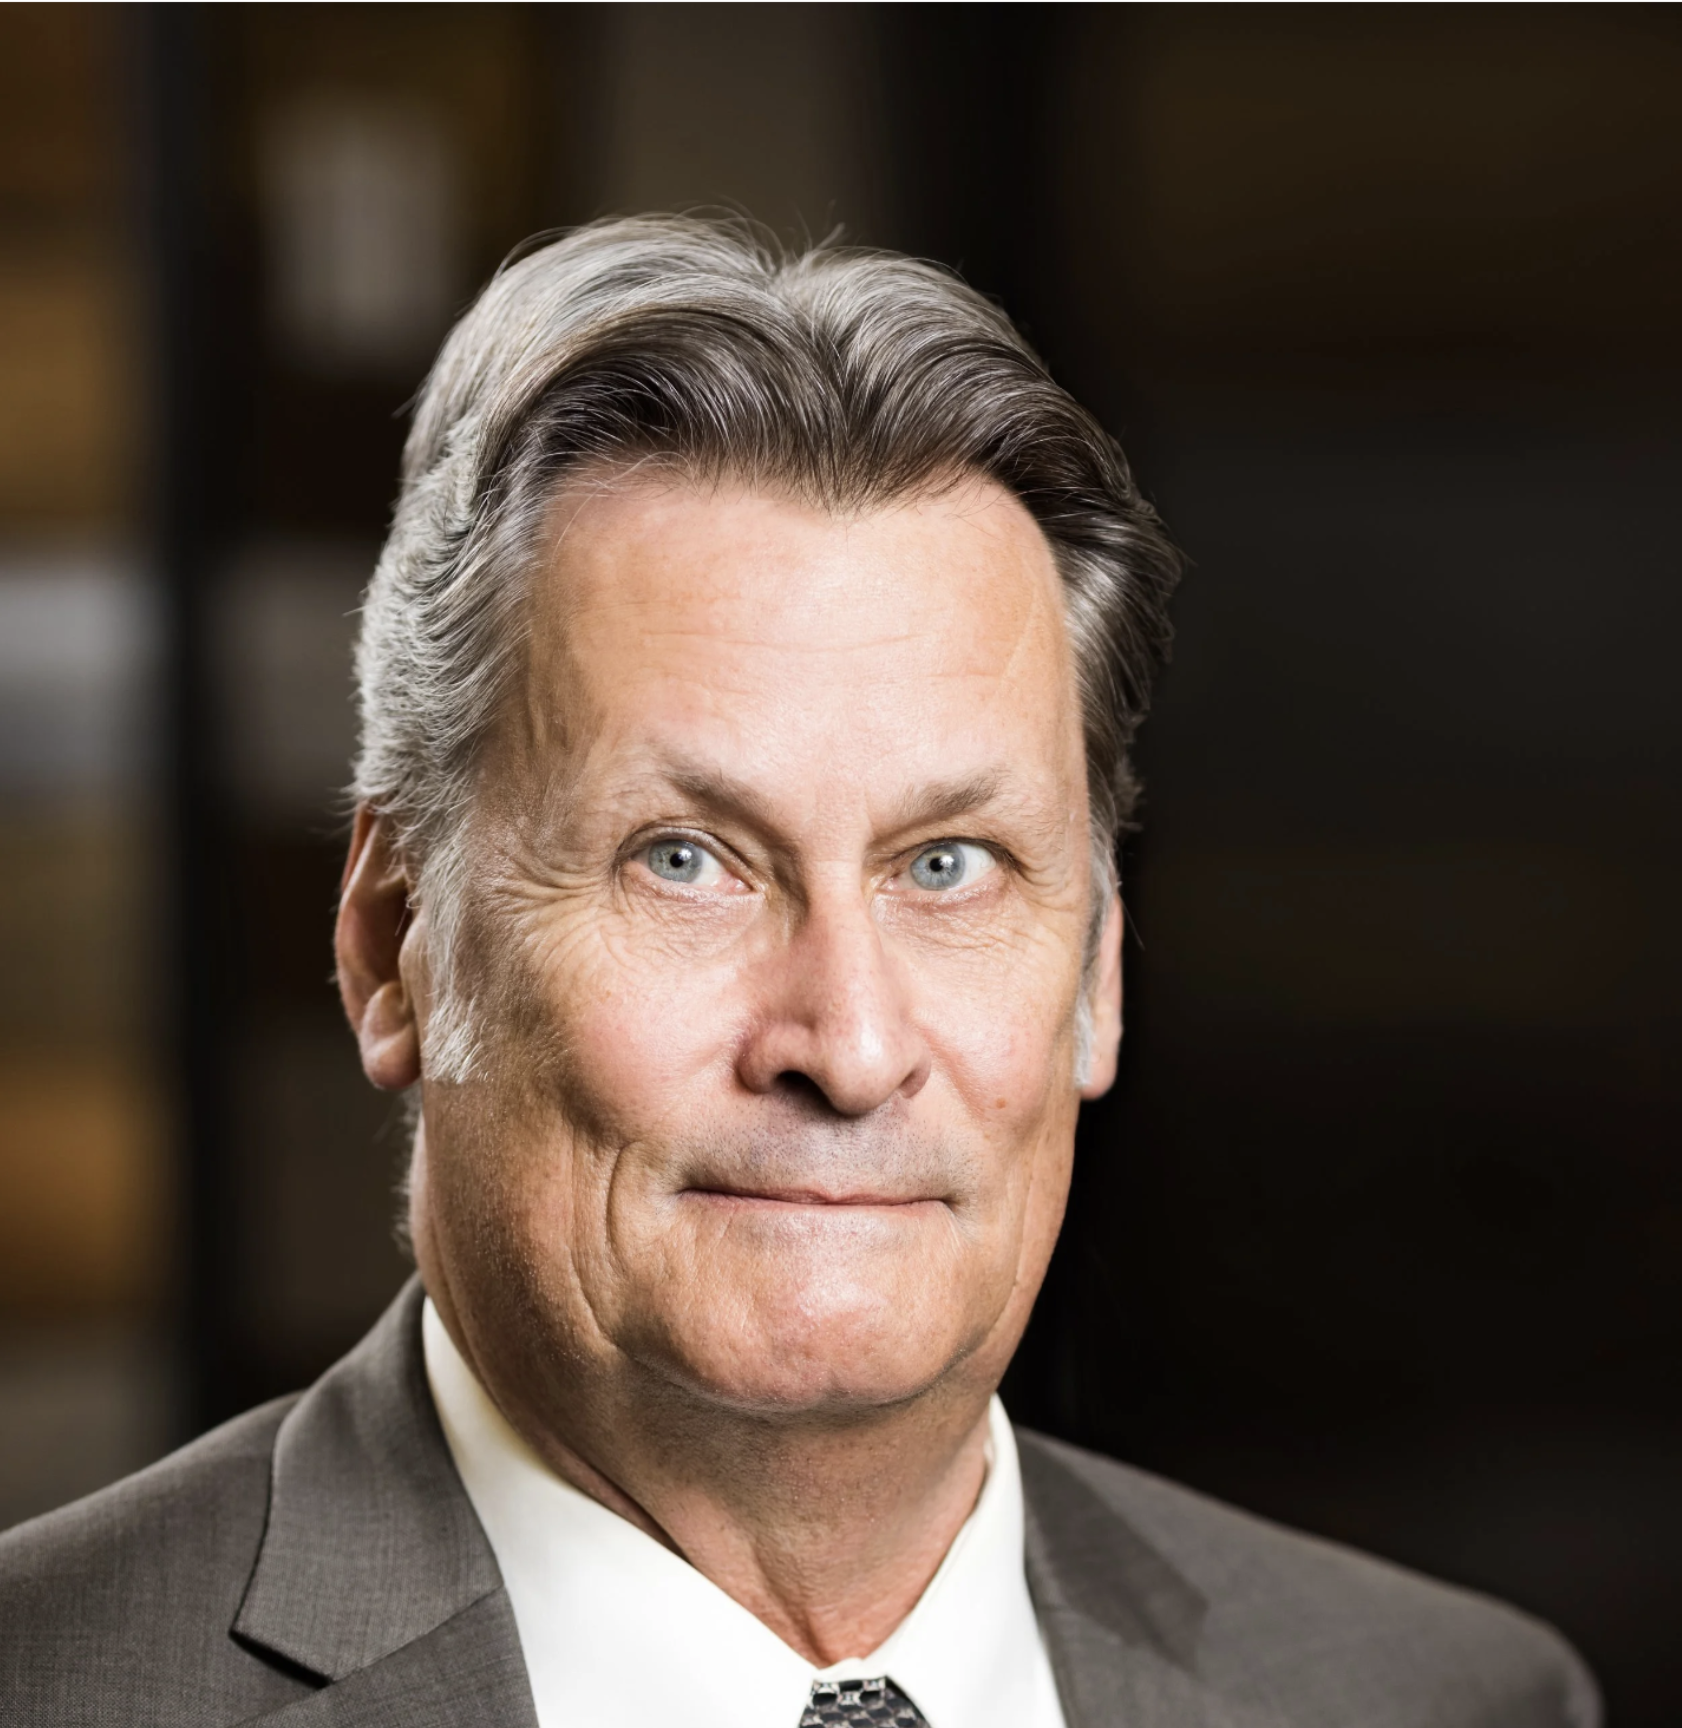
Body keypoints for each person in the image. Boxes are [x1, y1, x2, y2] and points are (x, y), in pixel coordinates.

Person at [0, 217, 1597, 1728]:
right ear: (392, 952)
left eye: (947, 865)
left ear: (1099, 971)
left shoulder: (1443, 1701)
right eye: (684, 858)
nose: (846, 1043)